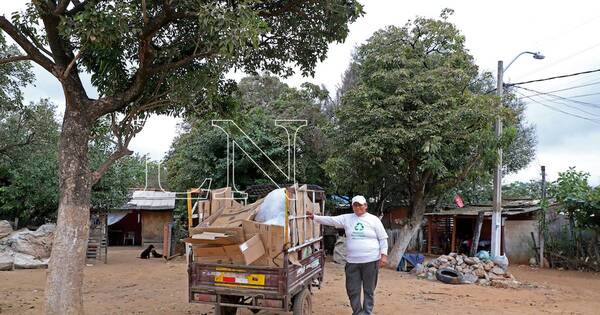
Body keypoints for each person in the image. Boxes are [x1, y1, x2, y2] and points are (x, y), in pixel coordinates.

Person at [307, 195, 388, 315]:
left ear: (365, 206)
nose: (358, 207)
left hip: (371, 261)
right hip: (352, 262)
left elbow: (383, 238)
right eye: (355, 205)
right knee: (352, 289)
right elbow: (331, 220)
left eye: (360, 205)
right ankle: (357, 312)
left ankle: (367, 312)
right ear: (352, 206)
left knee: (369, 290)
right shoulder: (347, 218)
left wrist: (384, 255)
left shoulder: (374, 220)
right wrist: (314, 217)